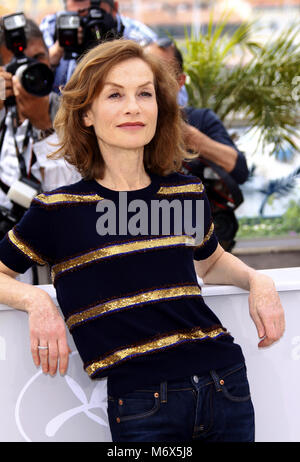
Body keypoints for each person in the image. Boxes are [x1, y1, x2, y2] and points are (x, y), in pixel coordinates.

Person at [0, 39, 285, 442]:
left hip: (227, 385)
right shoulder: (58, 210)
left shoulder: (185, 192)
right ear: (85, 114)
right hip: (143, 403)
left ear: (158, 109)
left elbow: (210, 261)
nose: (133, 106)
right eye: (115, 94)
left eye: (145, 94)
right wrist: (36, 301)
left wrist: (259, 281)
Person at [145, 39, 249, 250]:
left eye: (161, 71)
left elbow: (239, 171)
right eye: (147, 70)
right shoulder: (129, 123)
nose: (153, 80)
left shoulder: (200, 120)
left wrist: (189, 136)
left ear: (180, 81)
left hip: (202, 240)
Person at [0, 17, 81, 282]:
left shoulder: (74, 113)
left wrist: (44, 125)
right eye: (16, 64)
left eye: (39, 58)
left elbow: (73, 192)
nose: (30, 70)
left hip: (57, 264)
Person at [40, 0, 158, 94]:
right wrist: (58, 50)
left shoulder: (139, 37)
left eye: (93, 17)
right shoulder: (51, 27)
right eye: (79, 19)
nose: (86, 25)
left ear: (115, 8)